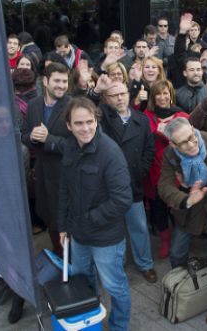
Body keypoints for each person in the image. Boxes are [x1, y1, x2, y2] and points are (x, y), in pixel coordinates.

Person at [57, 97, 133, 331]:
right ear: (69, 126)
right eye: (78, 123)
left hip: (105, 238)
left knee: (115, 286)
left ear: (96, 120)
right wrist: (63, 225)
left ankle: (119, 326)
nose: (85, 128)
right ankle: (90, 323)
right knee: (83, 281)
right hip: (78, 234)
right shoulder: (70, 146)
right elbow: (64, 189)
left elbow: (122, 200)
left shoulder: (110, 153)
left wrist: (88, 220)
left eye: (90, 122)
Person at [157, 118, 207, 325]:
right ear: (173, 145)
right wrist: (186, 198)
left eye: (192, 137)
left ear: (193, 129)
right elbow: (163, 186)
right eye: (183, 143)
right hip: (190, 206)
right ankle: (185, 290)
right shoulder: (170, 154)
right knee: (177, 252)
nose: (192, 144)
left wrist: (196, 188)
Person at [98, 80, 158, 283]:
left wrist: (140, 170)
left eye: (122, 93)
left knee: (139, 225)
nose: (119, 98)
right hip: (109, 184)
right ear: (107, 99)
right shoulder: (102, 120)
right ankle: (118, 264)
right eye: (114, 95)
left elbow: (149, 150)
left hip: (133, 183)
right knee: (115, 227)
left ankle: (145, 264)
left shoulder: (141, 119)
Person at [20, 62, 71, 256]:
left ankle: (72, 263)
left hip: (65, 176)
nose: (61, 85)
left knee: (65, 223)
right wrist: (32, 137)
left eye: (65, 81)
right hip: (43, 175)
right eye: (57, 81)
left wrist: (49, 140)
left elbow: (78, 145)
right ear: (45, 81)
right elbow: (24, 134)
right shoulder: (33, 105)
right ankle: (59, 255)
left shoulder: (71, 105)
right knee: (50, 219)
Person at [143, 80, 189, 258]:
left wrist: (164, 134)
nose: (162, 97)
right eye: (158, 94)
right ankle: (165, 241)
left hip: (178, 172)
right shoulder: (146, 115)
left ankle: (179, 242)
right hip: (155, 171)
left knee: (178, 208)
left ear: (171, 94)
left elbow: (186, 141)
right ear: (153, 97)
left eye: (165, 93)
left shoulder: (182, 116)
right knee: (159, 208)